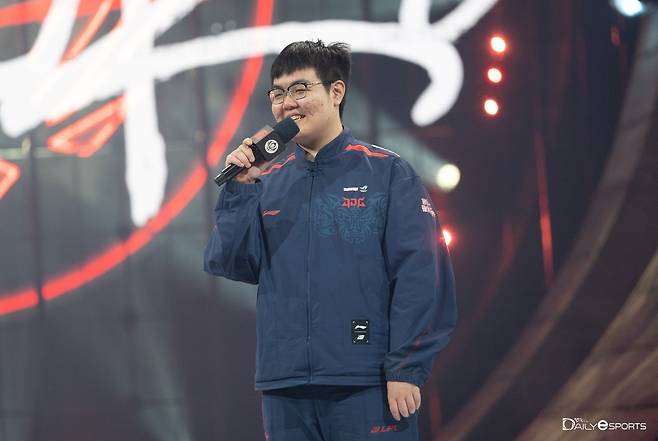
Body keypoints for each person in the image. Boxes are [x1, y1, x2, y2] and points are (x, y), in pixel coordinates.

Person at [204, 40, 457, 441]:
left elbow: (422, 275)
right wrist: (240, 189)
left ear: (336, 91)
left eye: (300, 89)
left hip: (367, 382)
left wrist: (406, 367)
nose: (287, 103)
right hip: (285, 388)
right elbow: (231, 263)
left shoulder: (387, 173)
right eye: (277, 93)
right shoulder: (266, 183)